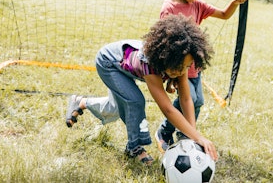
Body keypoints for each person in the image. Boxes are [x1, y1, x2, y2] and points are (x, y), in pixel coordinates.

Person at [65, 14, 218, 165]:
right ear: (165, 57)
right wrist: (198, 137)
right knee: (134, 102)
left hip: (123, 66)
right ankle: (134, 148)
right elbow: (167, 109)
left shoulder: (180, 62)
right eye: (178, 67)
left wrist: (192, 134)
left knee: (116, 108)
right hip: (108, 63)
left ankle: (81, 102)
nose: (181, 72)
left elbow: (186, 98)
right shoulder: (150, 65)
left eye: (186, 66)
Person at [155, 0, 248, 152]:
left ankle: (178, 131)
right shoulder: (169, 8)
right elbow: (165, 46)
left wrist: (234, 2)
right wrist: (170, 77)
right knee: (193, 100)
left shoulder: (197, 5)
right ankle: (178, 133)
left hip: (194, 68)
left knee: (197, 101)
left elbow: (223, 14)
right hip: (179, 69)